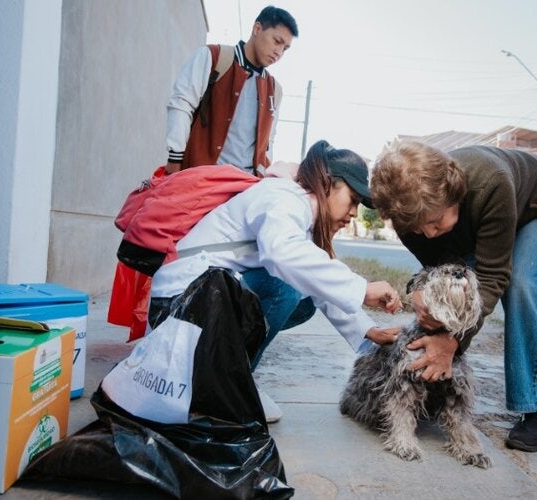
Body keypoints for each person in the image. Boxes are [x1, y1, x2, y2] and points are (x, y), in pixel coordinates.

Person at [148, 140, 403, 421]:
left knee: (302, 301)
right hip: (178, 307)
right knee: (286, 288)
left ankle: (224, 377)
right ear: (328, 183)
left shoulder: (297, 212)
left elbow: (313, 275)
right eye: (353, 200)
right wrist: (363, 289)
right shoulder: (283, 197)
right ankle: (227, 387)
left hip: (200, 302)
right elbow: (283, 254)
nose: (354, 213)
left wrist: (368, 330)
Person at [370, 141, 537, 452]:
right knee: (447, 283)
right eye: (418, 228)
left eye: (435, 222)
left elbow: (494, 276)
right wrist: (421, 296)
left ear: (453, 196)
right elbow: (438, 270)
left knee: (519, 282)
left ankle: (535, 409)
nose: (429, 234)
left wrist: (452, 342)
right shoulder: (408, 213)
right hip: (478, 215)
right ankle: (433, 391)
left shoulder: (491, 183)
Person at [165, 5, 298, 176]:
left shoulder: (274, 90)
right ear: (257, 29)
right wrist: (175, 160)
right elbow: (181, 104)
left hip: (245, 189)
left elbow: (268, 142)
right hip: (202, 179)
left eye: (285, 48)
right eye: (277, 41)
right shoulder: (213, 57)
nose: (279, 52)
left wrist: (262, 178)